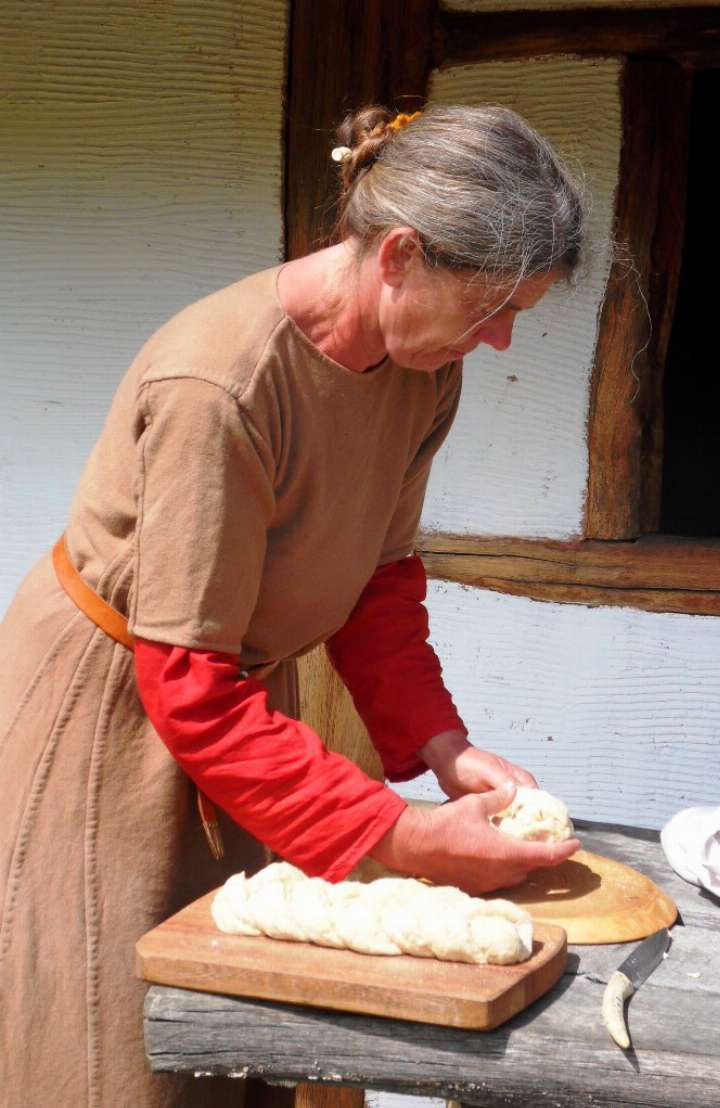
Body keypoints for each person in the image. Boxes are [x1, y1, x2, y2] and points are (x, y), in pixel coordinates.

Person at [0, 104, 585, 1108]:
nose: (500, 340)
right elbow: (184, 683)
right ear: (400, 254)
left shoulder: (422, 370)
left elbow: (380, 582)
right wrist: (398, 839)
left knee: (264, 1042)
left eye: (518, 313)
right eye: (493, 306)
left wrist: (442, 745)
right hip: (111, 722)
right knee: (127, 1053)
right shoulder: (220, 386)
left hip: (240, 716)